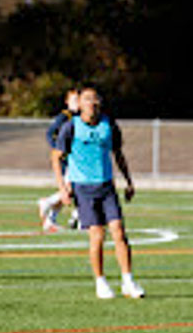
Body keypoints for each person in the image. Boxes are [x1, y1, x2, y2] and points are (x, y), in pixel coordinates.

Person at [52, 86, 145, 300]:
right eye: (87, 99)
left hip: (107, 186)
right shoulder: (71, 127)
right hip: (83, 188)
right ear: (79, 104)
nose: (92, 103)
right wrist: (62, 187)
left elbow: (118, 153)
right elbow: (56, 157)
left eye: (95, 99)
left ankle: (128, 281)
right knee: (97, 235)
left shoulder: (108, 124)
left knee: (119, 231)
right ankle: (100, 282)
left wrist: (129, 182)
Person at [38, 89, 81, 232]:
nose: (77, 103)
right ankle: (48, 203)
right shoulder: (65, 116)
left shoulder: (80, 117)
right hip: (67, 159)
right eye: (74, 100)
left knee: (72, 189)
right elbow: (50, 133)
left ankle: (52, 220)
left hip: (75, 158)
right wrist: (58, 149)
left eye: (78, 100)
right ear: (67, 102)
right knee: (71, 188)